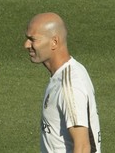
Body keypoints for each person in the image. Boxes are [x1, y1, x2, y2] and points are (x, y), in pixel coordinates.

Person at [24, 12, 101, 153]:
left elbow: (83, 147)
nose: (26, 45)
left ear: (54, 42)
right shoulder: (63, 75)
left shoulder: (70, 85)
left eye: (32, 39)